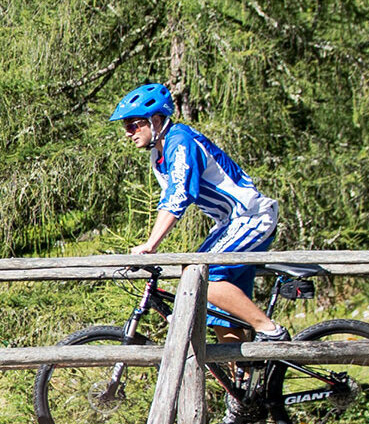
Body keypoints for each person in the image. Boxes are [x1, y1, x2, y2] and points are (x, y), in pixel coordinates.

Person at [110, 83, 291, 341]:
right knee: (218, 310)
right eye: (125, 127)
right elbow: (168, 198)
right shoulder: (158, 156)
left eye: (133, 125)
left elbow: (180, 195)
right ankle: (244, 376)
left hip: (251, 217)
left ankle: (271, 331)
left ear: (156, 119)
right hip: (228, 223)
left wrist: (151, 245)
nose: (128, 133)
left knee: (197, 273)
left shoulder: (180, 142)